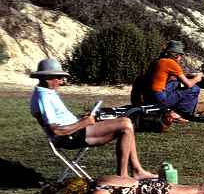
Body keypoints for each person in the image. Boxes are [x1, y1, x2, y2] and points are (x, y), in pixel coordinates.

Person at [28, 58, 157, 179]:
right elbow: (56, 131)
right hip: (70, 137)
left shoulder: (46, 93)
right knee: (125, 125)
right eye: (59, 77)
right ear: (47, 77)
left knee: (127, 123)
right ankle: (122, 176)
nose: (62, 81)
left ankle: (136, 171)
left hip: (75, 131)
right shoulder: (43, 97)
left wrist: (82, 120)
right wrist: (83, 122)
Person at [146, 41, 203, 120]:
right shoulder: (171, 63)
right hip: (158, 98)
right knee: (194, 88)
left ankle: (173, 110)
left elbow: (165, 76)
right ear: (176, 55)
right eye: (180, 56)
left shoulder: (158, 61)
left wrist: (187, 76)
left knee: (175, 83)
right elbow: (188, 84)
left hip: (148, 96)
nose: (181, 58)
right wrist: (197, 78)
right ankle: (181, 114)